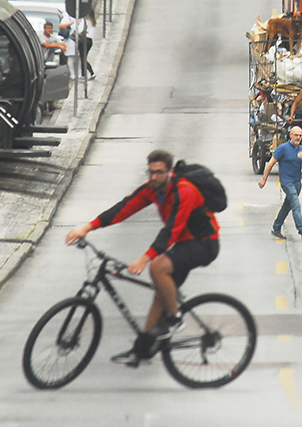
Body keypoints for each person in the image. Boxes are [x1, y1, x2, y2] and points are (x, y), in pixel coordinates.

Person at [65, 149, 220, 366]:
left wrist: (145, 259)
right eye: (151, 172)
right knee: (162, 293)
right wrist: (88, 227)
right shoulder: (153, 189)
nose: (154, 177)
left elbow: (171, 231)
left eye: (159, 172)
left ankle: (175, 319)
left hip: (204, 243)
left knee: (158, 268)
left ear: (169, 171)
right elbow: (124, 208)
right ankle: (143, 348)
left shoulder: (185, 191)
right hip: (185, 244)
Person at [259, 126, 302, 241]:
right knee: (296, 205)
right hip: (286, 182)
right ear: (291, 135)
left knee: (287, 206)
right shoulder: (282, 148)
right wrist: (264, 179)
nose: (298, 137)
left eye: (300, 135)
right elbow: (270, 164)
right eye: (296, 135)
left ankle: (276, 227)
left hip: (297, 182)